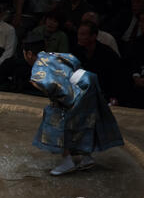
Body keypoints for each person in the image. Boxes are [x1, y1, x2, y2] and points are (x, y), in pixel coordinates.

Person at [23, 36, 124, 176]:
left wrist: (65, 100)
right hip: (88, 80)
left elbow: (51, 85)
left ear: (28, 53)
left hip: (76, 89)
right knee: (84, 121)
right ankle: (86, 158)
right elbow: (74, 60)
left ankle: (67, 161)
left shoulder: (38, 65)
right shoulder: (53, 55)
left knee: (55, 119)